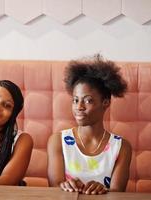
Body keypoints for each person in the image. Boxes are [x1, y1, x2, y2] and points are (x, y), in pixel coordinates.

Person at [47, 55, 132, 195]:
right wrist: (66, 186)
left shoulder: (121, 147)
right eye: (75, 100)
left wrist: (103, 190)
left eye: (88, 101)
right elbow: (55, 187)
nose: (79, 107)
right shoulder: (57, 141)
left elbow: (117, 192)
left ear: (105, 102)